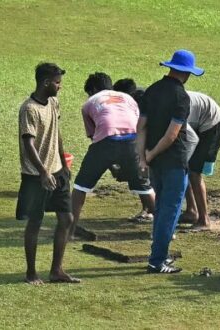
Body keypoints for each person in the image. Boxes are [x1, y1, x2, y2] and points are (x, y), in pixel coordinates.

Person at [137, 49, 204, 274]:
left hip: (154, 162)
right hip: (173, 161)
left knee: (161, 210)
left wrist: (144, 157)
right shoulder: (181, 97)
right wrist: (153, 154)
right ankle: (157, 260)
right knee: (170, 211)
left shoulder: (152, 91)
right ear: (186, 73)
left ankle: (157, 256)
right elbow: (172, 135)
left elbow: (141, 127)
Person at [70, 72, 156, 239]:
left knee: (80, 186)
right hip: (133, 139)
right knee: (144, 186)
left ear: (93, 90)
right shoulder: (128, 98)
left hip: (106, 139)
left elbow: (94, 136)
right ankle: (163, 230)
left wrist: (110, 163)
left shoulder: (89, 103)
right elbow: (138, 123)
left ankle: (69, 229)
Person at [16, 62, 79, 284]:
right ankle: (31, 273)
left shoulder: (53, 102)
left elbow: (57, 134)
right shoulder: (29, 109)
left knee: (67, 218)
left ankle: (56, 271)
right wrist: (43, 172)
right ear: (45, 82)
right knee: (35, 221)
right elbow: (28, 143)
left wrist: (63, 163)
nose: (59, 86)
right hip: (36, 175)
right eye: (57, 82)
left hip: (57, 170)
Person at [180, 91, 220, 230]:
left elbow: (191, 138)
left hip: (214, 124)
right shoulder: (161, 101)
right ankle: (191, 211)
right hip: (198, 123)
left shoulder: (174, 107)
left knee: (194, 173)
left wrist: (184, 160)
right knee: (186, 168)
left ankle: (204, 220)